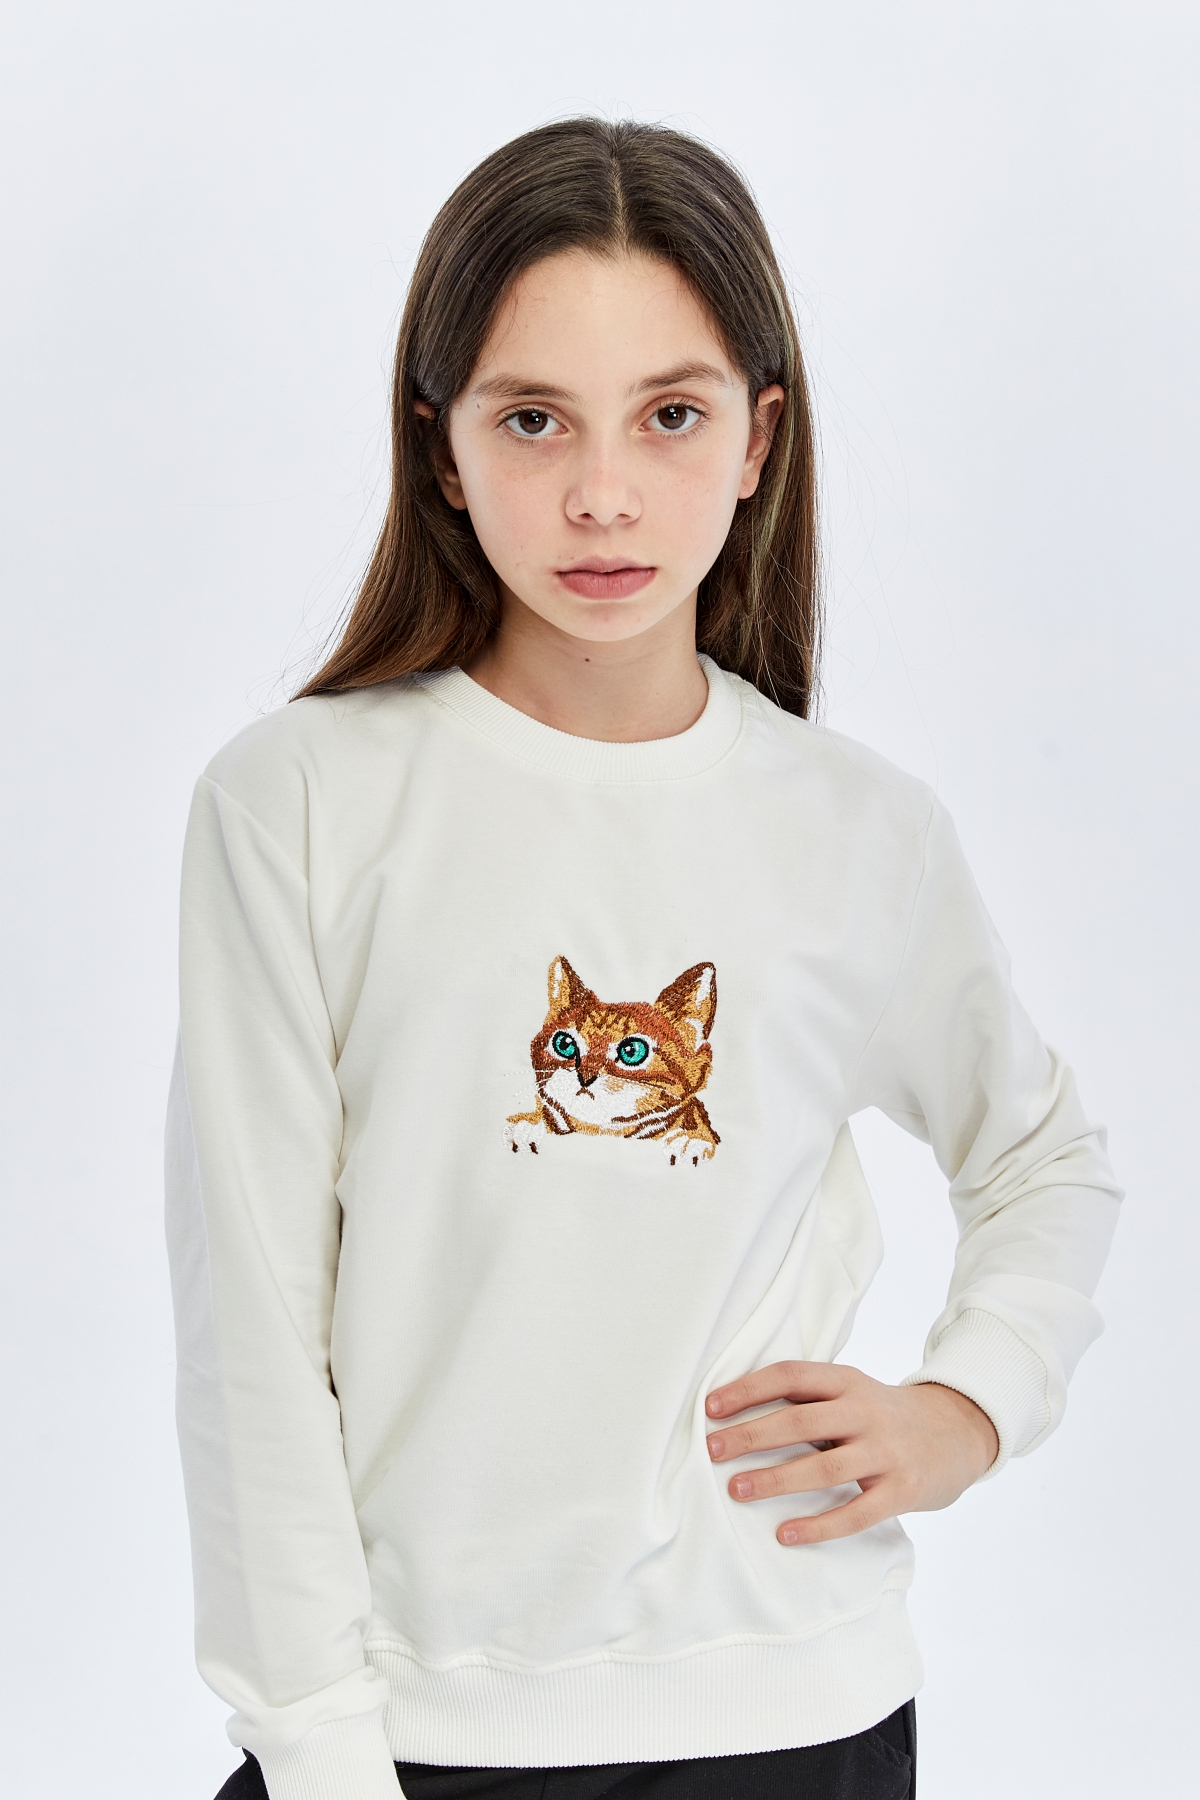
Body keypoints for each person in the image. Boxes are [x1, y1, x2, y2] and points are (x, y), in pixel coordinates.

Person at [166, 118, 1121, 1800]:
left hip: (795, 1717)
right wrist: (313, 1743)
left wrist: (963, 1408)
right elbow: (249, 1321)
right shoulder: (300, 802)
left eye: (669, 415)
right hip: (408, 1733)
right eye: (533, 418)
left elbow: (1044, 1158)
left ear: (759, 439)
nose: (602, 493)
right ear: (441, 449)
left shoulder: (859, 830)